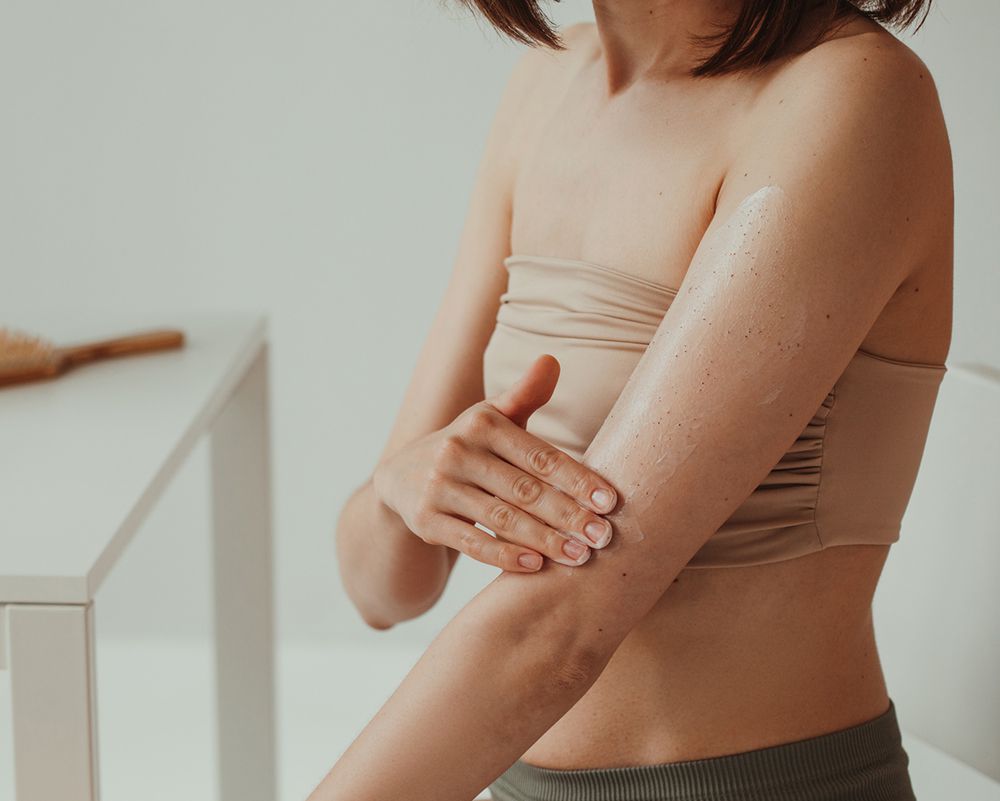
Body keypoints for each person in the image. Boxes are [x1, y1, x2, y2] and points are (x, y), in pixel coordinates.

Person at [311, 1, 951, 799]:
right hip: (504, 774)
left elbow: (562, 626)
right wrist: (403, 491)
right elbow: (382, 587)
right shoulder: (546, 85)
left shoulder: (846, 94)